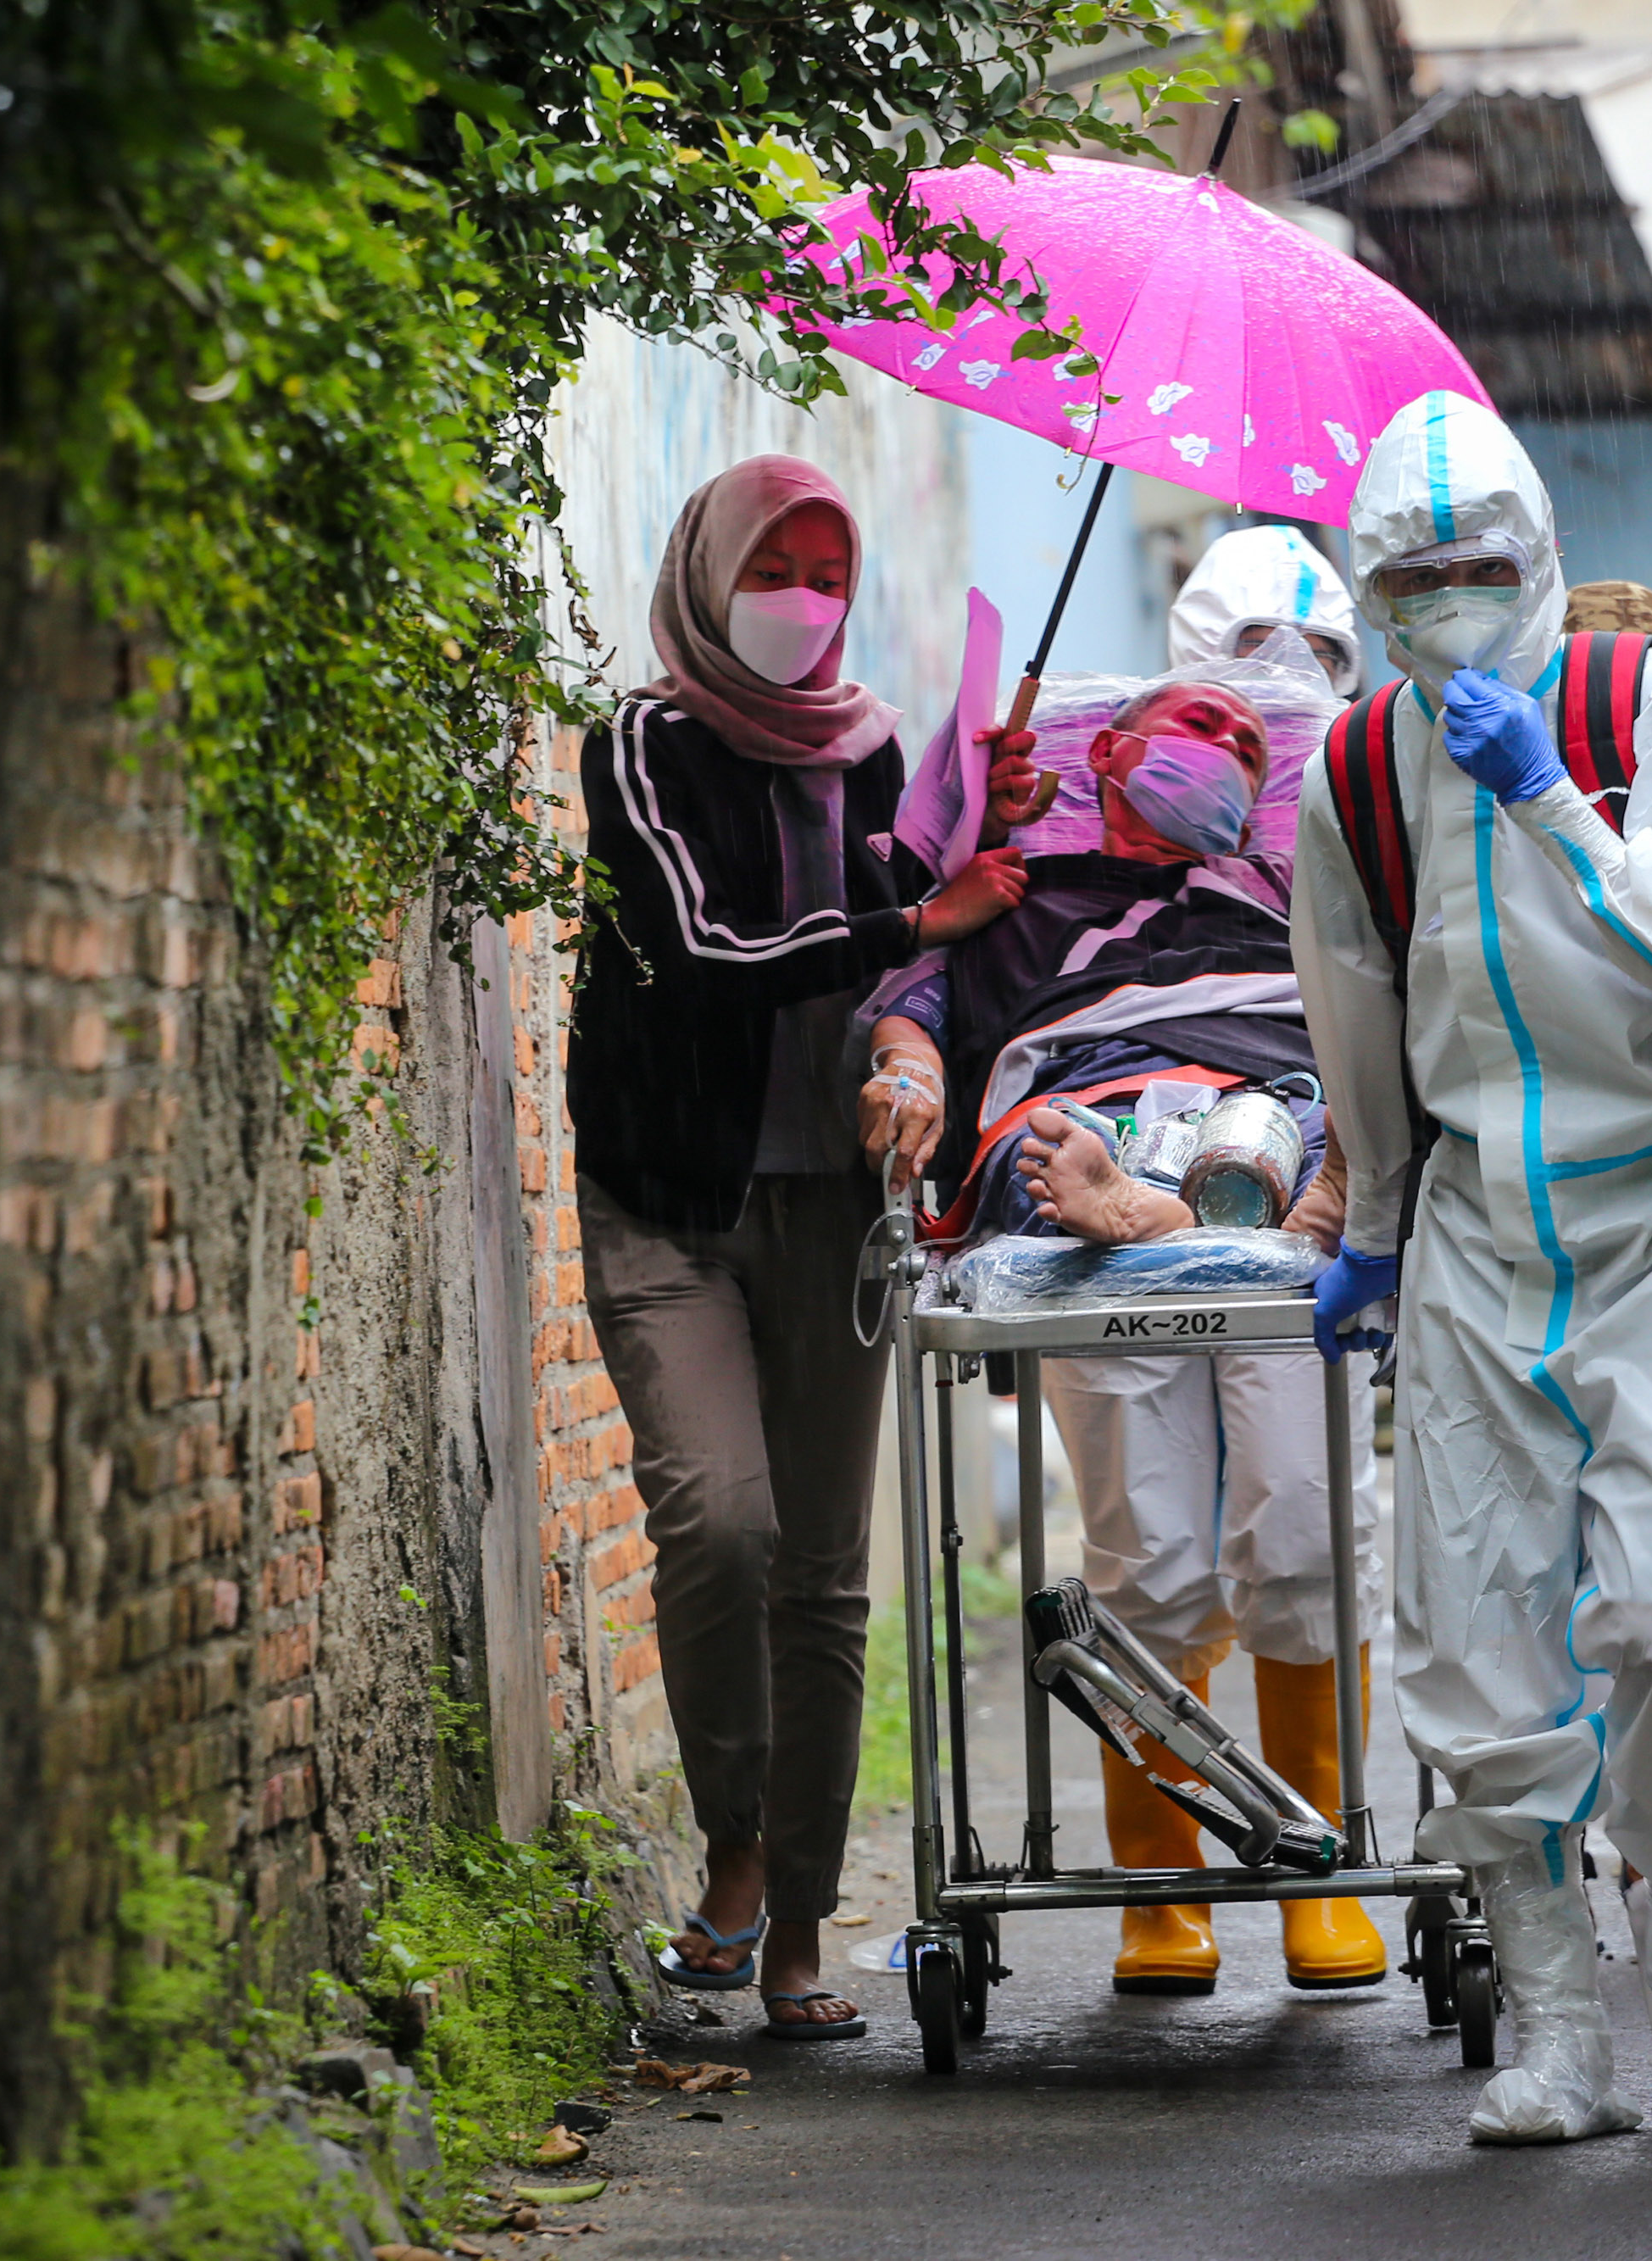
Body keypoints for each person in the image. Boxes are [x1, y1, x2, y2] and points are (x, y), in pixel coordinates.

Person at [1290, 390, 1652, 2144]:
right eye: (1408, 577)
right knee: (1476, 1652)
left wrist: (1548, 804)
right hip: (1471, 1243)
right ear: (1367, 587)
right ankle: (1555, 2034)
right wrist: (1369, 1229)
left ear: (1541, 561)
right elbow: (1352, 1009)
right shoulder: (1353, 764)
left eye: (1475, 569)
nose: (1443, 602)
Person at [572, 455, 1026, 2041]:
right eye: (780, 564)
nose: (807, 599)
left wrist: (980, 831)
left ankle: (794, 1930)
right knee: (723, 1525)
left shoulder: (877, 744)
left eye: (831, 571)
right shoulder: (643, 742)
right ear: (712, 568)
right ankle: (736, 1849)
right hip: (672, 1201)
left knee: (827, 1577)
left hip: (833, 1206)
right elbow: (699, 950)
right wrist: (917, 923)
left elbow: (922, 938)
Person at [870, 662, 1387, 1997]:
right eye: (1185, 724)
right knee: (1150, 1549)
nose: (1217, 743)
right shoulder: (1017, 902)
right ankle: (1166, 1889)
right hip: (1070, 1168)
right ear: (1105, 754)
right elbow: (908, 991)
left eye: (1238, 734)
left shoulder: (1292, 905)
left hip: (1275, 1128)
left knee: (1303, 1520)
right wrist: (910, 1053)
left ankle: (1313, 1866)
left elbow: (1382, 1014)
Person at [1168, 523, 1364, 692]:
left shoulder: (1360, 735)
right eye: (1264, 655)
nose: (1288, 678)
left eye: (1313, 658)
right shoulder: (1153, 734)